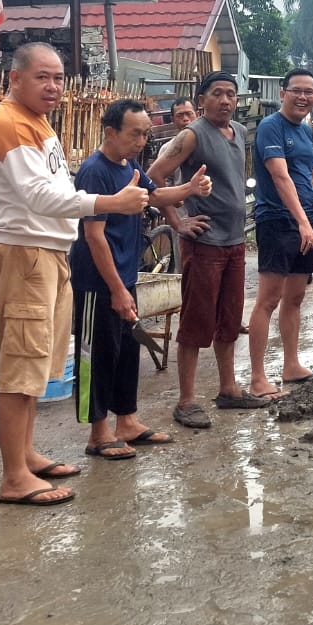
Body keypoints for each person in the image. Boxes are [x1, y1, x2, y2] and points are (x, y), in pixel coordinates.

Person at [0, 43, 149, 507]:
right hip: (24, 252)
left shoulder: (37, 123)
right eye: (42, 77)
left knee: (39, 364)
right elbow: (39, 196)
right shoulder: (8, 123)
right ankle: (14, 476)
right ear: (15, 79)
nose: (53, 86)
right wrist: (110, 204)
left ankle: (27, 455)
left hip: (49, 252)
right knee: (20, 366)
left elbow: (55, 188)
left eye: (58, 77)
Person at [72, 98, 212, 458]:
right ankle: (98, 433)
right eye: (134, 134)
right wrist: (117, 289)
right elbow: (94, 236)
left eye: (145, 133)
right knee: (97, 356)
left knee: (126, 350)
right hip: (97, 282)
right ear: (110, 132)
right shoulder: (95, 171)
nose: (141, 141)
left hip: (124, 273)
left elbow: (155, 194)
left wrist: (190, 190)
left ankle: (127, 421)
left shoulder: (128, 164)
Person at [148, 72, 273, 429]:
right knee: (196, 322)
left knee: (229, 320)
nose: (225, 100)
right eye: (217, 94)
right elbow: (154, 176)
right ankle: (186, 400)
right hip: (204, 244)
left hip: (234, 242)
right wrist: (177, 220)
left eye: (230, 94)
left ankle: (228, 388)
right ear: (201, 99)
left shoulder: (240, 131)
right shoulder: (192, 134)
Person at [250, 68, 313, 383]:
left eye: (309, 92)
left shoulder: (306, 130)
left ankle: (290, 365)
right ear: (283, 93)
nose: (303, 97)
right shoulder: (270, 128)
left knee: (296, 297)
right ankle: (258, 378)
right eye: (297, 91)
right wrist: (304, 223)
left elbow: (306, 172)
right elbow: (280, 176)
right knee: (269, 299)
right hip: (276, 220)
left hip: (304, 219)